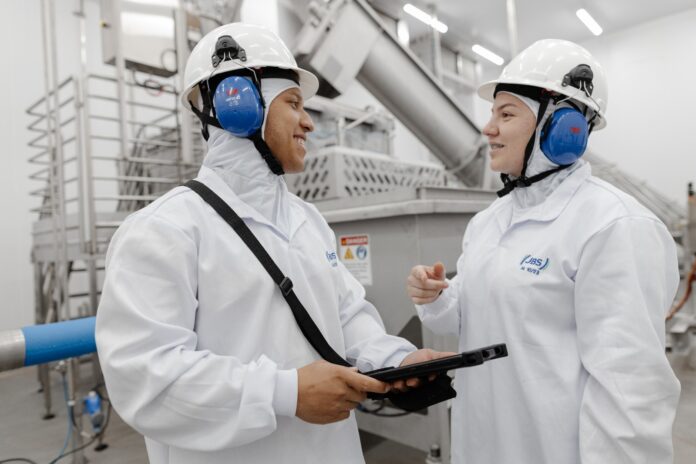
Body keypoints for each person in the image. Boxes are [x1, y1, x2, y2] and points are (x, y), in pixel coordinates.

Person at [96, 23, 448, 464]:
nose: (309, 122)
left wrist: (397, 359)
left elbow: (346, 316)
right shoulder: (165, 230)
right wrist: (285, 393)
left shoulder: (308, 221)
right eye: (294, 104)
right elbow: (144, 379)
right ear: (238, 104)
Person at [406, 39, 681, 464]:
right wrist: (439, 297)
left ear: (564, 126)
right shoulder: (488, 223)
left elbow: (631, 393)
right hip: (481, 447)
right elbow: (473, 321)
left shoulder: (614, 225)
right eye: (492, 114)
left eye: (506, 114)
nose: (488, 129)